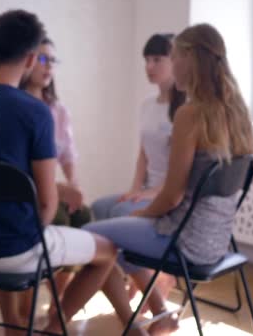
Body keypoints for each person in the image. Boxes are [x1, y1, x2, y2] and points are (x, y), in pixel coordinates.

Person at [0, 10, 117, 336]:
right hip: (16, 251)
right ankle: (53, 327)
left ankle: (14, 325)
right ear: (29, 59)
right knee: (108, 251)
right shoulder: (35, 112)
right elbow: (48, 207)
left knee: (4, 232)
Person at [83, 23, 253, 335]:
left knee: (91, 237)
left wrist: (140, 214)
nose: (170, 62)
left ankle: (124, 324)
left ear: (188, 59)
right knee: (111, 228)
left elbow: (172, 197)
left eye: (173, 55)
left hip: (183, 239)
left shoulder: (190, 114)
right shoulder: (237, 113)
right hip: (217, 241)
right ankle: (154, 314)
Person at [92, 33, 185, 307]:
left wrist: (152, 192)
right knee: (101, 206)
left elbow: (184, 169)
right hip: (147, 189)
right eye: (147, 60)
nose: (149, 66)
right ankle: (143, 277)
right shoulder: (147, 106)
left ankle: (156, 280)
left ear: (175, 61)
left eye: (157, 59)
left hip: (169, 193)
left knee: (121, 213)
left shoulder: (185, 110)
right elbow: (143, 154)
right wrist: (135, 189)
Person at [19, 37, 92, 305]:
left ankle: (59, 297)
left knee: (84, 216)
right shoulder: (17, 106)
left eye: (52, 60)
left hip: (50, 189)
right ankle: (39, 296)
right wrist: (60, 190)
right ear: (26, 61)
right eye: (41, 59)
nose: (48, 66)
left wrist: (74, 185)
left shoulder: (57, 110)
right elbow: (20, 167)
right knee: (59, 217)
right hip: (26, 192)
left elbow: (68, 153)